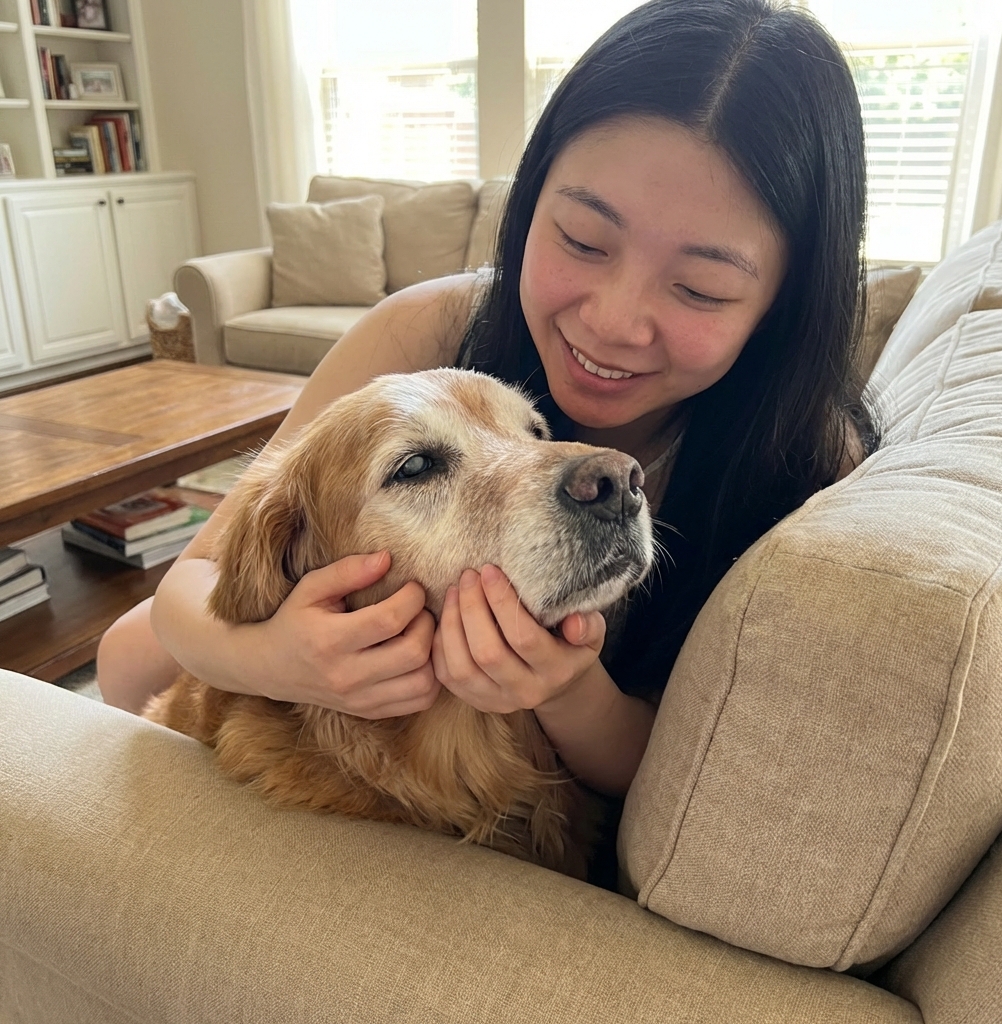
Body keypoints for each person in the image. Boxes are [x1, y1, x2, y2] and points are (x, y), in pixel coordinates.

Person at [98, 0, 874, 803]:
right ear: (529, 203)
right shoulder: (427, 329)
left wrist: (569, 693)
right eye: (581, 239)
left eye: (700, 287)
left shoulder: (807, 466)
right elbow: (167, 623)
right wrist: (281, 660)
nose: (611, 323)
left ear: (785, 302)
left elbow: (705, 793)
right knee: (124, 659)